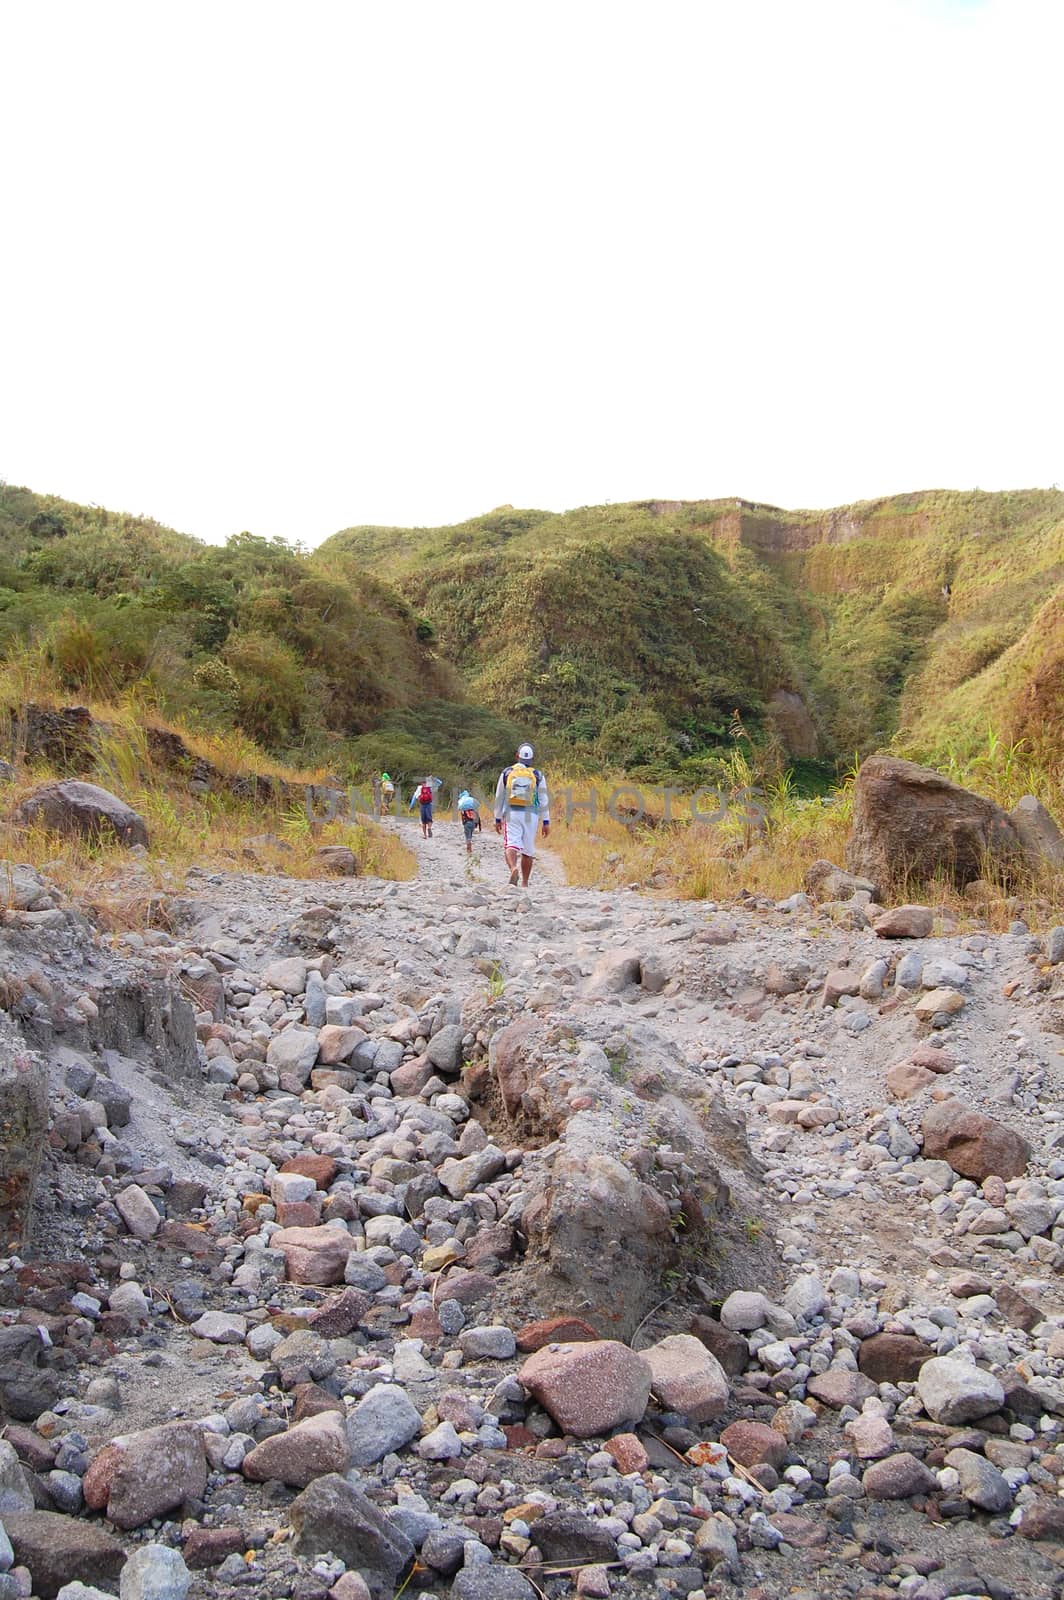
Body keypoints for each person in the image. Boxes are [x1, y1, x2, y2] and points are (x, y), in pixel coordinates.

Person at [494, 742, 549, 887]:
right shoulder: (537, 775)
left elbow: (499, 796)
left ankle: (513, 868)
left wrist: (497, 818)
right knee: (528, 850)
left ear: (517, 756)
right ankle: (525, 882)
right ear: (532, 758)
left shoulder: (507, 772)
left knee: (511, 844)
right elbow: (544, 800)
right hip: (532, 815)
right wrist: (546, 822)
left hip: (512, 813)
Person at [457, 789, 482, 854]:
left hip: (467, 823)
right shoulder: (473, 808)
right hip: (473, 823)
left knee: (467, 836)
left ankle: (468, 847)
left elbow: (462, 816)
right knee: (470, 834)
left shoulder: (463, 808)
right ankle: (469, 844)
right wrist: (478, 826)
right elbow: (477, 818)